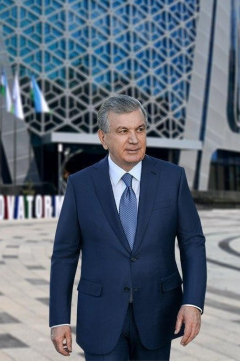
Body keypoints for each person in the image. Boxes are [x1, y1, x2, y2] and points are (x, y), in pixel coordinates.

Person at [49, 95, 207, 360]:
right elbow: (64, 255)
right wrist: (59, 319)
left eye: (140, 129)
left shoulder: (172, 178)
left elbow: (193, 243)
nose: (134, 139)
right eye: (123, 131)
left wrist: (192, 303)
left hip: (158, 314)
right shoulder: (80, 185)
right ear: (103, 138)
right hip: (100, 316)